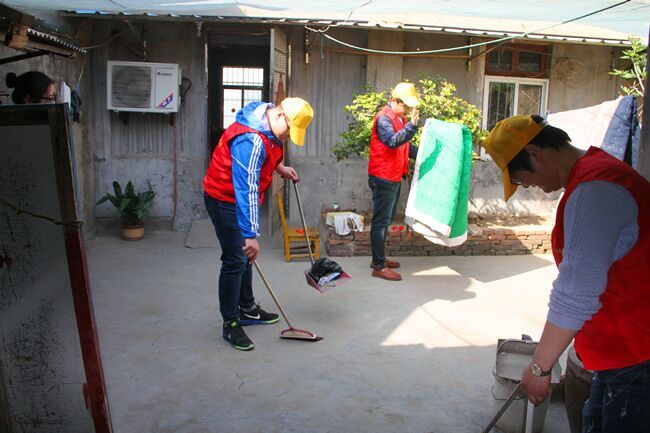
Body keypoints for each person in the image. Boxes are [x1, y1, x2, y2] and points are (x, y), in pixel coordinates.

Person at [483, 114, 649, 433]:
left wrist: (540, 367)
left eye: (520, 178)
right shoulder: (590, 177)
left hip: (637, 355)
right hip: (617, 352)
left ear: (535, 153)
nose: (526, 186)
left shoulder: (596, 191)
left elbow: (575, 293)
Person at [203, 97, 314, 351]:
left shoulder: (266, 115)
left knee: (246, 257)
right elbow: (247, 189)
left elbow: (270, 145)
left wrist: (279, 167)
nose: (288, 138)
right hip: (224, 198)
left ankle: (247, 308)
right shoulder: (250, 140)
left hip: (237, 196)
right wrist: (250, 234)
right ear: (279, 116)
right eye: (289, 131)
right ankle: (230, 323)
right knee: (235, 259)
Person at [368, 82, 420, 281]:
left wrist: (423, 152)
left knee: (386, 220)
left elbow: (405, 146)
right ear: (394, 101)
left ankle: (378, 259)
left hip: (393, 176)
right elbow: (392, 141)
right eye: (405, 105)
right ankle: (378, 266)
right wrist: (411, 126)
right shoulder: (384, 118)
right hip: (383, 177)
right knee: (380, 222)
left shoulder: (399, 118)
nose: (407, 109)